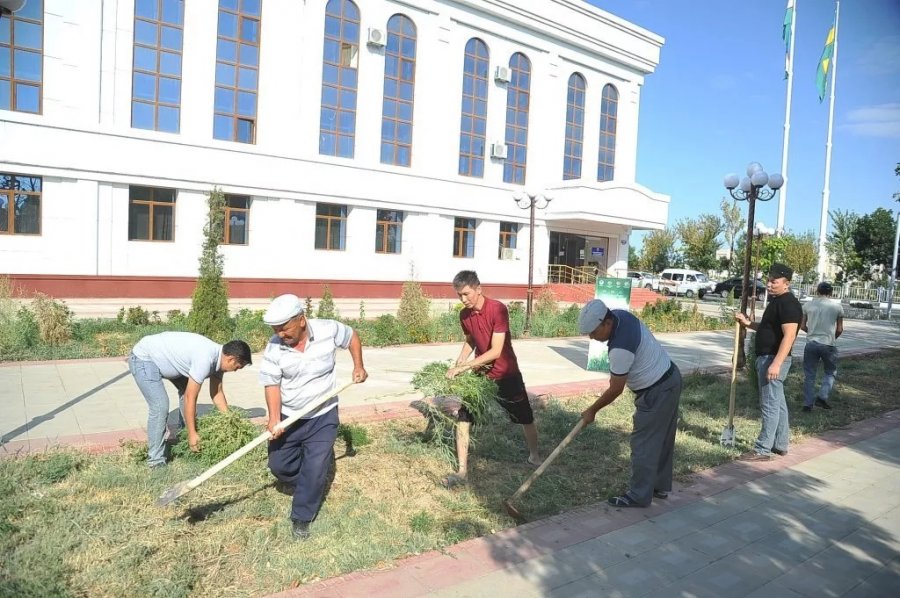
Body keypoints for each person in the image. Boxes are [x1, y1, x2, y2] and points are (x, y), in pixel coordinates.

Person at [259, 293, 368, 540]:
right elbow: (271, 383)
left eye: (284, 329)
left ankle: (302, 516)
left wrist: (358, 365)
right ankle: (307, 483)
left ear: (301, 320)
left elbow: (352, 336)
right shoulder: (274, 347)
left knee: (316, 464)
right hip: (290, 416)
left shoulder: (328, 329)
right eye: (276, 329)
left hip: (323, 414)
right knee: (279, 466)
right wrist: (274, 418)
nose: (280, 335)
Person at [578, 299, 683, 508]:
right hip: (671, 378)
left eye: (593, 331)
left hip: (656, 391)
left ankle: (639, 495)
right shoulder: (620, 315)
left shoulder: (620, 348)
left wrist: (592, 410)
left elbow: (616, 388)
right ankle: (659, 487)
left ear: (606, 323)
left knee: (643, 443)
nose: (591, 337)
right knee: (661, 439)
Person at [443, 270, 541, 488]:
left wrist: (465, 367)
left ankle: (535, 456)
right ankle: (462, 471)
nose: (463, 299)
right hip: (480, 376)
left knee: (524, 417)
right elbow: (471, 340)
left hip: (506, 373)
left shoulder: (498, 309)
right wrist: (460, 362)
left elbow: (496, 351)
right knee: (463, 417)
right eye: (459, 295)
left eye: (466, 294)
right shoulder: (464, 315)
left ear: (479, 289)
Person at [128, 332, 252, 468]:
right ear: (231, 359)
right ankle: (156, 460)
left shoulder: (219, 359)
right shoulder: (205, 359)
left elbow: (216, 393)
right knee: (160, 406)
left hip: (168, 360)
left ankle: (182, 439)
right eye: (238, 367)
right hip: (145, 358)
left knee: (185, 392)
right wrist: (193, 434)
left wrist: (230, 420)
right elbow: (190, 398)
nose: (235, 371)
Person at [734, 263, 802, 461]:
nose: (770, 284)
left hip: (773, 359)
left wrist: (776, 363)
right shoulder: (777, 302)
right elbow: (768, 328)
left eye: (774, 281)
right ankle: (780, 445)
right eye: (769, 280)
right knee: (778, 404)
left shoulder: (788, 304)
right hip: (768, 358)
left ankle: (762, 449)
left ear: (786, 283)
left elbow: (789, 336)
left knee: (770, 405)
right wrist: (748, 324)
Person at [801, 281, 843, 411]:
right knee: (830, 372)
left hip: (811, 344)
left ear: (817, 291)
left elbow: (802, 326)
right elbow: (840, 329)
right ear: (831, 293)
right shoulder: (837, 307)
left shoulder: (807, 305)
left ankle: (808, 404)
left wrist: (812, 334)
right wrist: (831, 338)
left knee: (810, 374)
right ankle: (822, 397)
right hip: (828, 344)